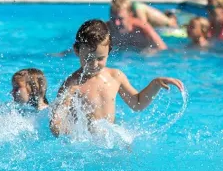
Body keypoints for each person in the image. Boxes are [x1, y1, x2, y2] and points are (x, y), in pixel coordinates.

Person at [49, 19, 183, 137]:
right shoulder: (72, 85)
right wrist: (61, 126)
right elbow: (57, 126)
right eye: (89, 59)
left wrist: (155, 84)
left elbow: (137, 103)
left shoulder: (115, 77)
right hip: (87, 145)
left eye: (100, 59)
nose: (94, 64)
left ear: (109, 52)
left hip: (110, 142)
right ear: (77, 51)